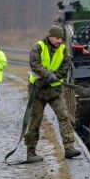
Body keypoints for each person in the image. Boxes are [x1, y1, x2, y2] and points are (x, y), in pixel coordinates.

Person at [23, 25, 80, 162]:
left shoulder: (63, 49)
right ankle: (31, 152)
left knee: (64, 117)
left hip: (55, 90)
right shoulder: (38, 47)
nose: (59, 40)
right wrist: (47, 75)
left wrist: (55, 76)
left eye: (61, 38)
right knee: (35, 121)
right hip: (38, 90)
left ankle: (69, 148)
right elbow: (34, 64)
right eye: (57, 38)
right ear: (50, 36)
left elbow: (65, 67)